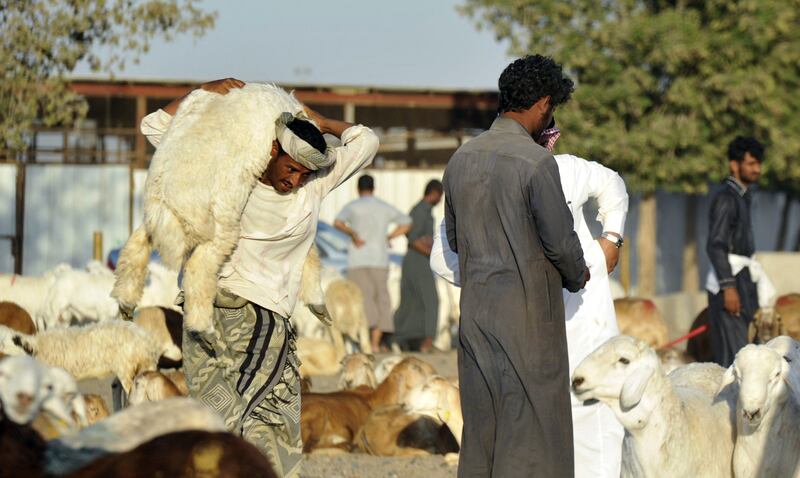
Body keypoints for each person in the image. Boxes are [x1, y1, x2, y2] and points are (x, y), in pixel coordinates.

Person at [139, 78, 379, 477]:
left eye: (303, 173)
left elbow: (366, 140)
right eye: (291, 169)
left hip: (264, 321)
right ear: (271, 149)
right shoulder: (227, 171)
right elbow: (154, 127)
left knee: (267, 428)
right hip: (208, 314)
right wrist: (205, 92)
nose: (295, 180)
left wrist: (318, 120)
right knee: (214, 424)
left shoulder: (314, 186)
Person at [432, 129, 628, 477]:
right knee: (530, 427)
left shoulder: (564, 170)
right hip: (525, 328)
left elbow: (612, 184)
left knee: (595, 420)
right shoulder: (482, 185)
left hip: (584, 319)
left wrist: (610, 239)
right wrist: (502, 273)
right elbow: (440, 255)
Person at [442, 55, 588, 477]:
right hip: (528, 321)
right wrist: (579, 273)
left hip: (475, 319)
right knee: (535, 435)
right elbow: (562, 246)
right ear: (543, 104)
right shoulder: (537, 163)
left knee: (484, 427)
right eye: (553, 109)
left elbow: (454, 241)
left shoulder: (461, 160)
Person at [334, 174, 412, 351]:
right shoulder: (383, 206)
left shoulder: (353, 207)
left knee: (362, 300)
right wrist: (389, 236)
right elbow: (406, 222)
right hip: (380, 259)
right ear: (374, 188)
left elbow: (338, 222)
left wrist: (353, 234)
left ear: (358, 188)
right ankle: (376, 343)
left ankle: (365, 342)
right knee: (381, 300)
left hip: (357, 259)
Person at [705, 136, 764, 367]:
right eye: (750, 163)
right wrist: (728, 286)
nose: (756, 169)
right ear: (734, 164)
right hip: (731, 282)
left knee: (752, 349)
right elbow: (715, 244)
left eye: (758, 164)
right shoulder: (726, 198)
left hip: (745, 280)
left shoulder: (743, 197)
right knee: (736, 357)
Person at [393, 179, 443, 352]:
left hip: (419, 261)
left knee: (415, 302)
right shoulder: (419, 211)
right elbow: (412, 238)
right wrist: (431, 254)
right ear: (435, 193)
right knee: (431, 300)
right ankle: (427, 342)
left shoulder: (427, 211)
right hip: (417, 260)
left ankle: (411, 339)